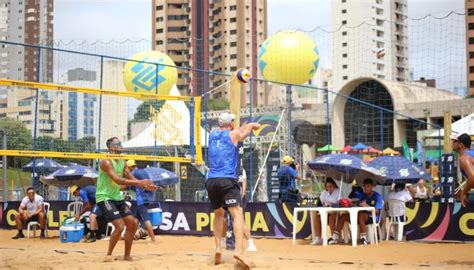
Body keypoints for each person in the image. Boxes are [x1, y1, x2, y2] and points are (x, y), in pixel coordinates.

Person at [206, 112, 260, 268]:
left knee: (218, 214)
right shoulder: (234, 135)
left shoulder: (212, 134)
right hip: (227, 179)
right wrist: (251, 125)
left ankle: (217, 248)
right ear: (230, 124)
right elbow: (242, 133)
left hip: (211, 180)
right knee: (237, 214)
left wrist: (243, 126)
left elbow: (236, 131)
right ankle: (238, 251)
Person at [96, 137, 157, 261]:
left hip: (116, 196)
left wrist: (146, 185)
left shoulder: (122, 161)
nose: (120, 146)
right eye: (117, 144)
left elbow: (130, 176)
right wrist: (140, 183)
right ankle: (108, 255)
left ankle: (127, 256)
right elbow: (118, 180)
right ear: (111, 147)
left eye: (120, 143)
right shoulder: (106, 162)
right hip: (104, 197)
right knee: (119, 226)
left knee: (133, 223)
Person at [126, 160, 158, 242]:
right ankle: (130, 237)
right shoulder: (143, 171)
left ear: (129, 167)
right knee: (136, 218)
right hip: (145, 198)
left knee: (146, 218)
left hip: (140, 199)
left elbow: (130, 185)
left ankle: (153, 238)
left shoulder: (133, 173)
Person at [310, 178, 343, 245]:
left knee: (332, 217)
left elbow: (340, 204)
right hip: (326, 213)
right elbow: (321, 203)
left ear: (334, 186)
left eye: (330, 186)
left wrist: (332, 204)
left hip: (336, 213)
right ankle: (318, 238)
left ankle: (334, 238)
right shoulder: (324, 193)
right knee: (317, 217)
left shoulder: (338, 192)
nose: (329, 188)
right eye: (327, 186)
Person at [357, 178, 384, 245]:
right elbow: (358, 204)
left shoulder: (377, 196)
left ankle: (364, 238)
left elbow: (377, 211)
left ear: (372, 187)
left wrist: (367, 206)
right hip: (363, 216)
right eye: (364, 186)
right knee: (345, 216)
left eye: (368, 186)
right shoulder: (363, 195)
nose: (365, 188)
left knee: (361, 215)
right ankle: (334, 237)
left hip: (374, 217)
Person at [451, 133, 474, 207]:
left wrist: (464, 193)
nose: (452, 143)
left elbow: (472, 177)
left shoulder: (464, 158)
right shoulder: (471, 154)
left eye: (454, 141)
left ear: (461, 145)